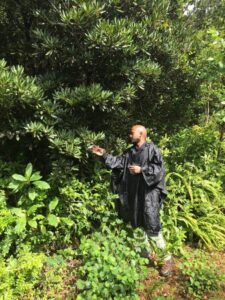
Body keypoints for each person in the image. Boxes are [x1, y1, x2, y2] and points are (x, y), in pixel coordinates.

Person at [90, 124, 172, 276]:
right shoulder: (129, 152)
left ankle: (166, 259)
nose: (129, 135)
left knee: (152, 227)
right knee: (137, 225)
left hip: (148, 196)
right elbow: (118, 163)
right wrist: (104, 155)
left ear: (141, 134)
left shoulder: (152, 149)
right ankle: (145, 257)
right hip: (134, 196)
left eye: (131, 133)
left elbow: (159, 170)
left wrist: (142, 170)